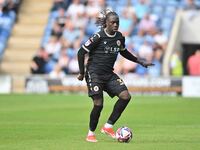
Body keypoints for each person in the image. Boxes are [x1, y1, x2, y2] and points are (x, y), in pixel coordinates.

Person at [77, 10, 154, 143]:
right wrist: (82, 73)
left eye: (117, 22)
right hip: (94, 73)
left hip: (109, 74)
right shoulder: (98, 37)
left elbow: (123, 52)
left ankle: (108, 127)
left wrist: (140, 61)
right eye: (112, 22)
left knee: (125, 96)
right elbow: (81, 52)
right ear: (106, 23)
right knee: (98, 104)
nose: (115, 25)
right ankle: (90, 133)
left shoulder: (119, 37)